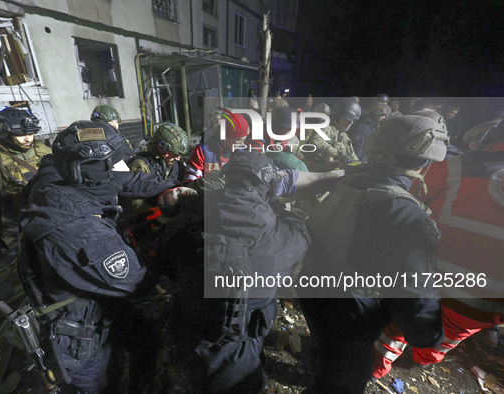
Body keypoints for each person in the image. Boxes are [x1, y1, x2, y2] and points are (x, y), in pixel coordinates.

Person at [157, 151, 344, 393]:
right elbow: (304, 233)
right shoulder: (285, 237)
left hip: (187, 335)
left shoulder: (180, 225)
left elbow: (169, 270)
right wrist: (278, 210)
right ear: (269, 187)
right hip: (238, 350)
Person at [18, 120, 178, 394]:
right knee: (103, 382)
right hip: (79, 331)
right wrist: (163, 236)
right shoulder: (84, 233)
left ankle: (139, 385)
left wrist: (180, 186)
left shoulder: (57, 174)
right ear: (95, 170)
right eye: (115, 161)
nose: (122, 166)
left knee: (146, 339)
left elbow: (128, 180)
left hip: (90, 293)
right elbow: (138, 284)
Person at [300, 115, 448, 394]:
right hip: (350, 316)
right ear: (423, 163)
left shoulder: (348, 182)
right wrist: (429, 335)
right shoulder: (407, 214)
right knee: (344, 378)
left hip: (313, 292)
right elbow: (413, 294)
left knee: (325, 354)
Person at [372, 120, 504, 379]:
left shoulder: (460, 165)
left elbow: (414, 195)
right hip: (487, 305)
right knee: (450, 333)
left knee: (401, 322)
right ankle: (424, 356)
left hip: (434, 281)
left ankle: (377, 363)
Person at [0, 107, 51, 255]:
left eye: (30, 133)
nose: (27, 138)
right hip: (29, 223)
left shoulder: (45, 151)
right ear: (6, 133)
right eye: (21, 134)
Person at [127, 123, 189, 213]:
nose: (178, 158)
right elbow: (133, 203)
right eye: (175, 154)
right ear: (162, 149)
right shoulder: (140, 165)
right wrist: (162, 210)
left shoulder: (177, 166)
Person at [185, 113, 249, 180]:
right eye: (239, 140)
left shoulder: (243, 153)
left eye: (244, 139)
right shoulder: (202, 151)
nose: (242, 143)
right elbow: (190, 180)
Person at [301, 97, 361, 165]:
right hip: (317, 166)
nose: (350, 125)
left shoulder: (344, 136)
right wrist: (337, 155)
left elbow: (352, 155)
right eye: (349, 121)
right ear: (341, 118)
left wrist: (359, 165)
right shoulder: (326, 127)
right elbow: (316, 140)